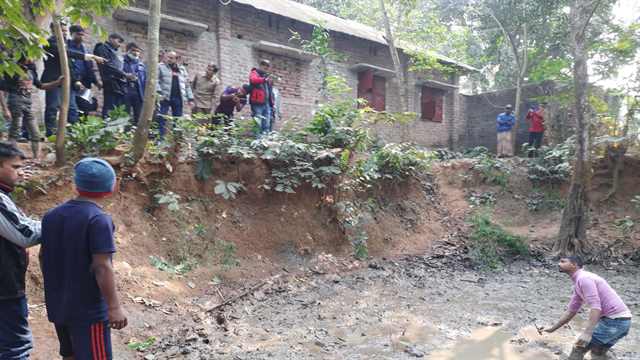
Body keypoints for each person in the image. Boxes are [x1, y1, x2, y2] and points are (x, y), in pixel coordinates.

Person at [40, 158, 128, 360]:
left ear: (76, 185)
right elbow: (102, 267)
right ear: (111, 187)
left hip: (58, 306)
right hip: (88, 312)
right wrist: (114, 307)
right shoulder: (98, 219)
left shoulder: (51, 216)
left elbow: (43, 257)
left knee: (70, 355)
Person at [543, 256, 632, 360]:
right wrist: (553, 329)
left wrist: (587, 333)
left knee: (578, 347)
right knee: (598, 353)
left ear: (574, 265)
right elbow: (571, 311)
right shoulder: (579, 282)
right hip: (622, 322)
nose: (559, 264)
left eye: (563, 261)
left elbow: (596, 306)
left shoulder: (584, 279)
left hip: (614, 322)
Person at [0, 142, 42, 359]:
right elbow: (25, 235)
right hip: (4, 288)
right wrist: (59, 222)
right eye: (15, 167)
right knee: (15, 347)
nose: (21, 173)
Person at [42, 20, 105, 137]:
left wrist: (76, 80)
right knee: (52, 107)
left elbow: (70, 65)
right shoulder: (49, 42)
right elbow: (65, 53)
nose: (64, 33)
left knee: (72, 108)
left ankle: (74, 134)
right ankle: (50, 133)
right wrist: (89, 56)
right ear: (53, 30)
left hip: (67, 82)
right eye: (62, 31)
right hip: (53, 81)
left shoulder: (66, 44)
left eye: (65, 31)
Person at [1, 58, 63, 158]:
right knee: (15, 130)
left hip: (28, 103)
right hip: (16, 101)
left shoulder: (31, 70)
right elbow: (1, 89)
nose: (34, 58)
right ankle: (10, 158)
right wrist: (5, 109)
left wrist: (57, 82)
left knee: (35, 133)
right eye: (31, 56)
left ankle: (36, 158)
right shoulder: (12, 70)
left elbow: (41, 86)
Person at [94, 33, 134, 118]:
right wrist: (124, 74)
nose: (119, 45)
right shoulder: (102, 48)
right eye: (118, 41)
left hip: (119, 83)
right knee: (109, 108)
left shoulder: (115, 51)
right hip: (110, 81)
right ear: (111, 39)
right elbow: (107, 65)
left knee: (117, 110)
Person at [68, 25, 101, 124]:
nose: (81, 37)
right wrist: (76, 81)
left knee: (85, 107)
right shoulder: (67, 47)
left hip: (85, 82)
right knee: (72, 107)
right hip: (72, 81)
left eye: (82, 35)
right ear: (72, 34)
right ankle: (72, 128)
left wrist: (96, 82)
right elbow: (69, 67)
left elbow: (90, 68)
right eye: (78, 34)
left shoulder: (85, 49)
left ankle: (81, 129)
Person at [157, 51, 194, 137]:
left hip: (178, 98)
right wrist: (159, 93)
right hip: (165, 97)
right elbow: (156, 81)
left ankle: (177, 140)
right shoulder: (160, 67)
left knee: (177, 119)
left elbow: (187, 84)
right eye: (167, 57)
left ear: (176, 59)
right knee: (161, 118)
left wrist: (190, 98)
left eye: (171, 58)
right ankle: (160, 138)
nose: (168, 59)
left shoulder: (182, 69)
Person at [122, 42, 147, 126]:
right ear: (127, 50)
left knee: (139, 116)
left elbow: (144, 80)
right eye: (133, 50)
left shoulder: (141, 65)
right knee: (124, 115)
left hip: (138, 92)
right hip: (126, 90)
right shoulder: (122, 61)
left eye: (138, 51)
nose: (136, 53)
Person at [249, 59, 275, 134]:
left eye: (267, 66)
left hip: (267, 104)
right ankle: (258, 142)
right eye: (264, 65)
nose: (266, 67)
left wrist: (272, 104)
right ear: (260, 65)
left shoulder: (266, 76)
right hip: (257, 103)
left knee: (266, 124)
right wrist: (264, 79)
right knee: (258, 123)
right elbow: (253, 80)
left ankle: (265, 142)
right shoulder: (254, 72)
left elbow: (270, 91)